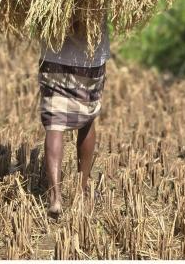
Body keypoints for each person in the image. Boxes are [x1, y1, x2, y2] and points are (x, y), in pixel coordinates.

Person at [37, 14, 110, 217]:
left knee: (54, 123)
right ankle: (82, 189)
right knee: (87, 121)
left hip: (54, 54)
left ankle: (55, 197)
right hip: (90, 58)